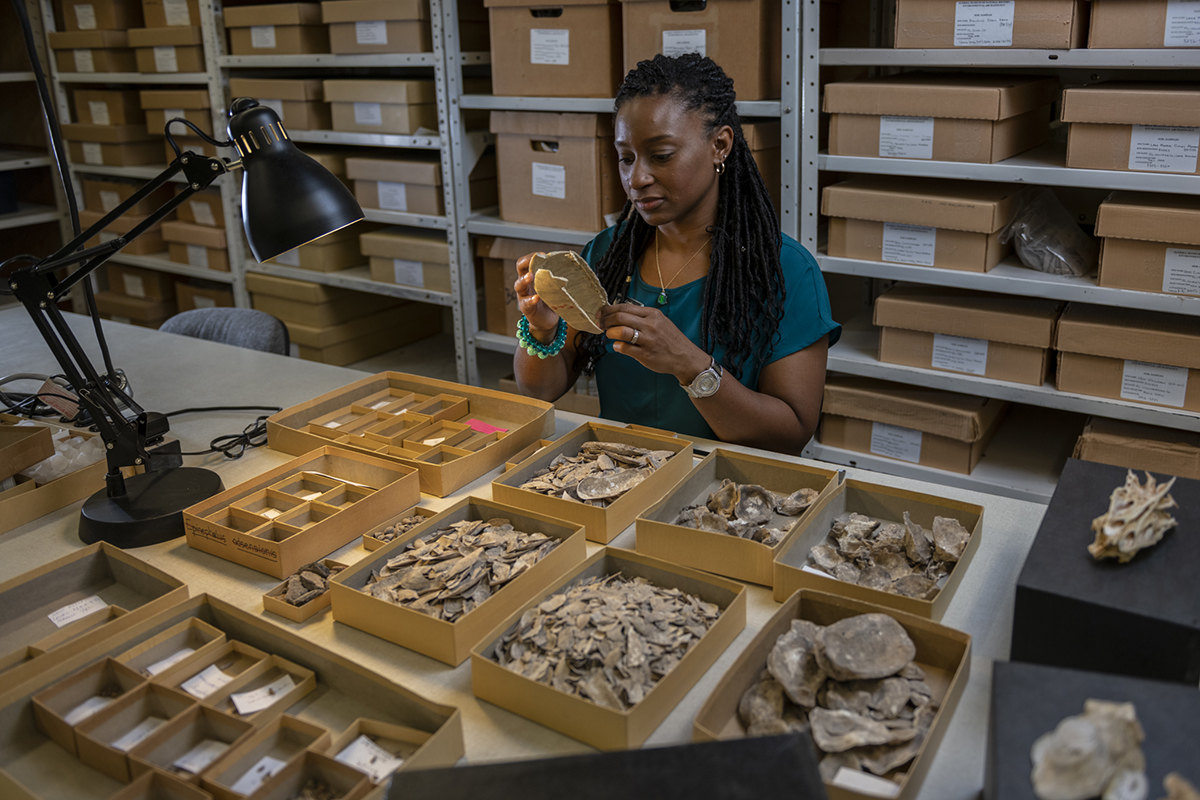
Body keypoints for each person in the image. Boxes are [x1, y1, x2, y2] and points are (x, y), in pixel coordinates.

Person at [512, 54, 840, 455]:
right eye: (626, 158)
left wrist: (689, 365)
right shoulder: (608, 254)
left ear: (720, 145)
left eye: (662, 155)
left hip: (724, 485)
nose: (636, 178)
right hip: (620, 478)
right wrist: (542, 330)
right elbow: (541, 390)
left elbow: (790, 434)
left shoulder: (787, 270)